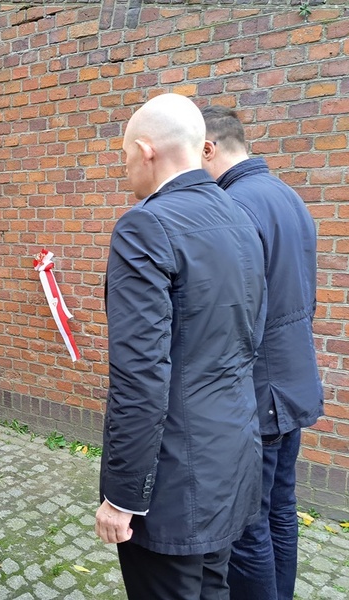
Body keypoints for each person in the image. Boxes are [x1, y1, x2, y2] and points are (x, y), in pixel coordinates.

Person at [94, 93, 267, 600]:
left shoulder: (145, 225)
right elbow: (247, 340)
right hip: (232, 459)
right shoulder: (240, 217)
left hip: (171, 482)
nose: (124, 167)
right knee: (213, 590)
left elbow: (141, 374)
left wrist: (123, 497)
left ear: (146, 150)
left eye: (124, 154)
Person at [201, 105, 323, 600]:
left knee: (249, 526)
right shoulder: (289, 196)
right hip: (293, 384)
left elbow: (237, 319)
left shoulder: (234, 208)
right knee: (281, 509)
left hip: (261, 396)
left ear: (208, 149)